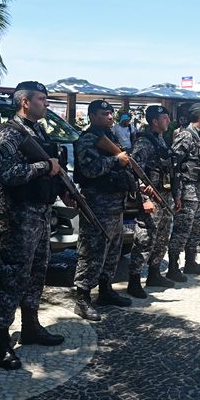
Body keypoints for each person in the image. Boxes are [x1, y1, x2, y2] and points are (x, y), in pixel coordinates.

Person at [0, 81, 67, 369]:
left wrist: (61, 187)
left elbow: (53, 168)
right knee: (12, 277)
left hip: (41, 212)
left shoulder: (39, 131)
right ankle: (0, 341)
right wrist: (45, 166)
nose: (46, 104)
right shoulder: (7, 133)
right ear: (25, 102)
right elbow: (8, 175)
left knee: (36, 272)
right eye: (42, 99)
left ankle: (31, 326)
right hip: (20, 215)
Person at [73, 99, 135, 320]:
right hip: (96, 203)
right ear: (92, 116)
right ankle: (82, 297)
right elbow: (90, 169)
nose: (109, 117)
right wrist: (116, 161)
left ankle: (106, 290)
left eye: (111, 113)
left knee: (113, 250)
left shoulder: (113, 137)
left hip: (115, 203)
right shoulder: (87, 139)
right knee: (92, 250)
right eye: (104, 114)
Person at [127, 105, 177, 297]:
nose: (168, 121)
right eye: (165, 118)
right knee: (144, 238)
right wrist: (144, 198)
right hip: (151, 198)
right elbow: (134, 171)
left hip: (165, 197)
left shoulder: (161, 140)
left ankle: (154, 273)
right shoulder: (144, 143)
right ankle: (134, 280)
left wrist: (176, 195)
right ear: (155, 121)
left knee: (162, 237)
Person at [168, 103, 200, 280]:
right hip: (188, 191)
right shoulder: (186, 136)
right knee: (182, 229)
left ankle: (190, 262)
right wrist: (176, 192)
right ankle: (173, 266)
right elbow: (174, 164)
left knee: (197, 228)